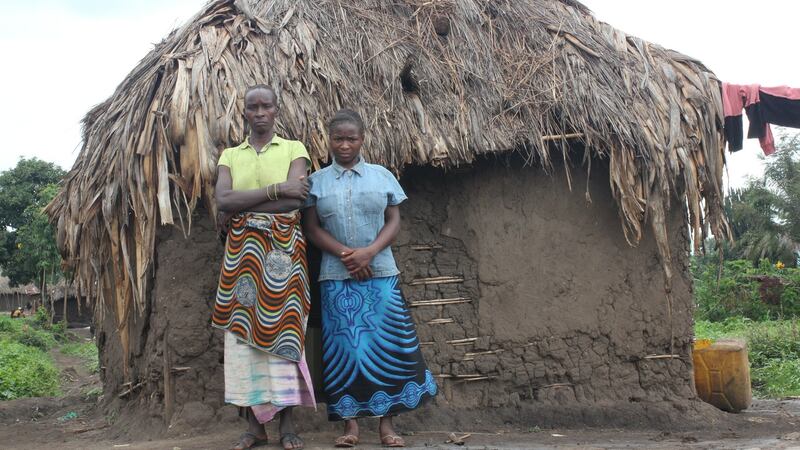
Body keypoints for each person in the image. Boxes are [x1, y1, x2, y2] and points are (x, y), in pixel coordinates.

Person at [303, 109, 437, 448]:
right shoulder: (317, 182)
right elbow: (311, 228)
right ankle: (350, 426)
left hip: (380, 274)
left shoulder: (382, 176)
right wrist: (348, 255)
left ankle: (387, 426)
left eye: (351, 138)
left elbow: (393, 221)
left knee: (388, 348)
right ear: (329, 140)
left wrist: (369, 252)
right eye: (338, 138)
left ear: (362, 139)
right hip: (336, 276)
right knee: (345, 352)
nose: (345, 144)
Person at [212, 84, 314, 450]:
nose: (259, 112)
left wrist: (241, 207)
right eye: (252, 107)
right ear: (244, 112)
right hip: (242, 259)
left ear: (276, 110)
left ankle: (288, 426)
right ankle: (254, 428)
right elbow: (222, 198)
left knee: (285, 336)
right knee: (244, 340)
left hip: (285, 257)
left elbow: (296, 202)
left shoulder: (293, 149)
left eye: (265, 106)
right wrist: (276, 190)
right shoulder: (230, 156)